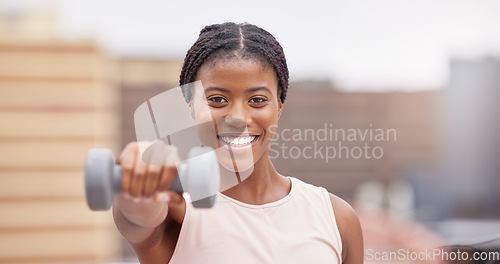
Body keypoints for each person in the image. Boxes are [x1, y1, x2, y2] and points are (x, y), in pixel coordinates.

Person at [113, 22, 364, 264]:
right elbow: (138, 215)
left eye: (257, 100)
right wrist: (138, 184)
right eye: (217, 99)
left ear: (279, 105)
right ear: (191, 106)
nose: (238, 119)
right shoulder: (175, 210)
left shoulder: (336, 218)